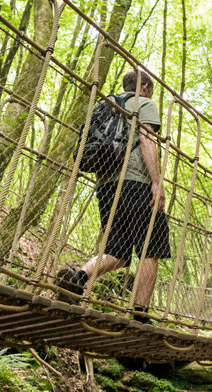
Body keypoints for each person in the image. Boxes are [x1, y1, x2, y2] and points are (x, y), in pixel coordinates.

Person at [56, 69, 169, 323]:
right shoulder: (144, 103)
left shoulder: (106, 106)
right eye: (150, 90)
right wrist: (156, 182)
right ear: (146, 88)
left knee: (117, 252)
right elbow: (147, 138)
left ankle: (78, 278)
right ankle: (140, 314)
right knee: (151, 247)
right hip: (136, 183)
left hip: (106, 186)